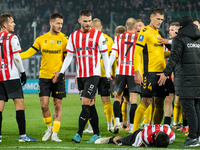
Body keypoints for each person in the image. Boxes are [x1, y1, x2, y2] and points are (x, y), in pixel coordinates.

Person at [58, 10, 110, 143]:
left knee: (85, 102)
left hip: (93, 74)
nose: (88, 23)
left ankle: (79, 134)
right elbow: (69, 56)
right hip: (81, 76)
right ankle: (97, 134)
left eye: (89, 21)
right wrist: (62, 71)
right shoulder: (73, 36)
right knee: (90, 105)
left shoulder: (98, 35)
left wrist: (108, 74)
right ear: (79, 21)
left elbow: (105, 55)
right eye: (85, 21)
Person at [20, 13, 68, 142]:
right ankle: (49, 128)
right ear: (51, 23)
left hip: (58, 77)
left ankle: (55, 134)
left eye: (61, 24)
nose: (60, 26)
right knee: (44, 106)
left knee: (58, 105)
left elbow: (67, 59)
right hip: (44, 77)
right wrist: (16, 56)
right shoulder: (41, 39)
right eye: (58, 23)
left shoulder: (64, 39)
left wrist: (60, 72)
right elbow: (30, 51)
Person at [158, 15, 200, 147]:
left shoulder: (179, 38)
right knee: (197, 109)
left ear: (181, 27)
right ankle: (197, 136)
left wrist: (166, 73)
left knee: (190, 109)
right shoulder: (198, 39)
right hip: (198, 78)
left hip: (186, 79)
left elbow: (174, 58)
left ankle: (193, 137)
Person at [0, 13, 37, 142]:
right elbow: (16, 57)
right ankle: (22, 135)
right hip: (11, 76)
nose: (14, 24)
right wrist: (22, 72)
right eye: (12, 22)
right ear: (5, 25)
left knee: (0, 105)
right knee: (19, 104)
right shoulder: (12, 38)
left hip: (0, 76)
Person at [133, 8, 168, 133]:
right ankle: (134, 131)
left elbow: (160, 54)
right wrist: (137, 72)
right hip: (149, 73)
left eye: (162, 20)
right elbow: (137, 53)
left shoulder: (159, 34)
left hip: (161, 73)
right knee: (146, 101)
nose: (160, 22)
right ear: (151, 18)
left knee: (159, 102)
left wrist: (171, 54)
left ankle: (156, 130)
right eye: (158, 19)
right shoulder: (145, 32)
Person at [110, 18, 141, 134]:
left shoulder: (118, 38)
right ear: (136, 26)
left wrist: (109, 70)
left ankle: (117, 122)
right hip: (134, 72)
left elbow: (113, 55)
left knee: (117, 98)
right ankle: (132, 127)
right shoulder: (139, 38)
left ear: (126, 26)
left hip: (121, 72)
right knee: (133, 101)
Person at [83, 18, 114, 133]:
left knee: (90, 101)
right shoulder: (109, 40)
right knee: (106, 100)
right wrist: (112, 73)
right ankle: (109, 124)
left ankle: (91, 127)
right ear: (101, 27)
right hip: (105, 74)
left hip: (91, 74)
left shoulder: (88, 38)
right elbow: (112, 58)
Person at [95, 124, 175, 148]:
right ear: (154, 138)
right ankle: (110, 139)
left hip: (149, 131)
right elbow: (149, 144)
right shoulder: (146, 137)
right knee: (119, 142)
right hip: (139, 135)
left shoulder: (171, 135)